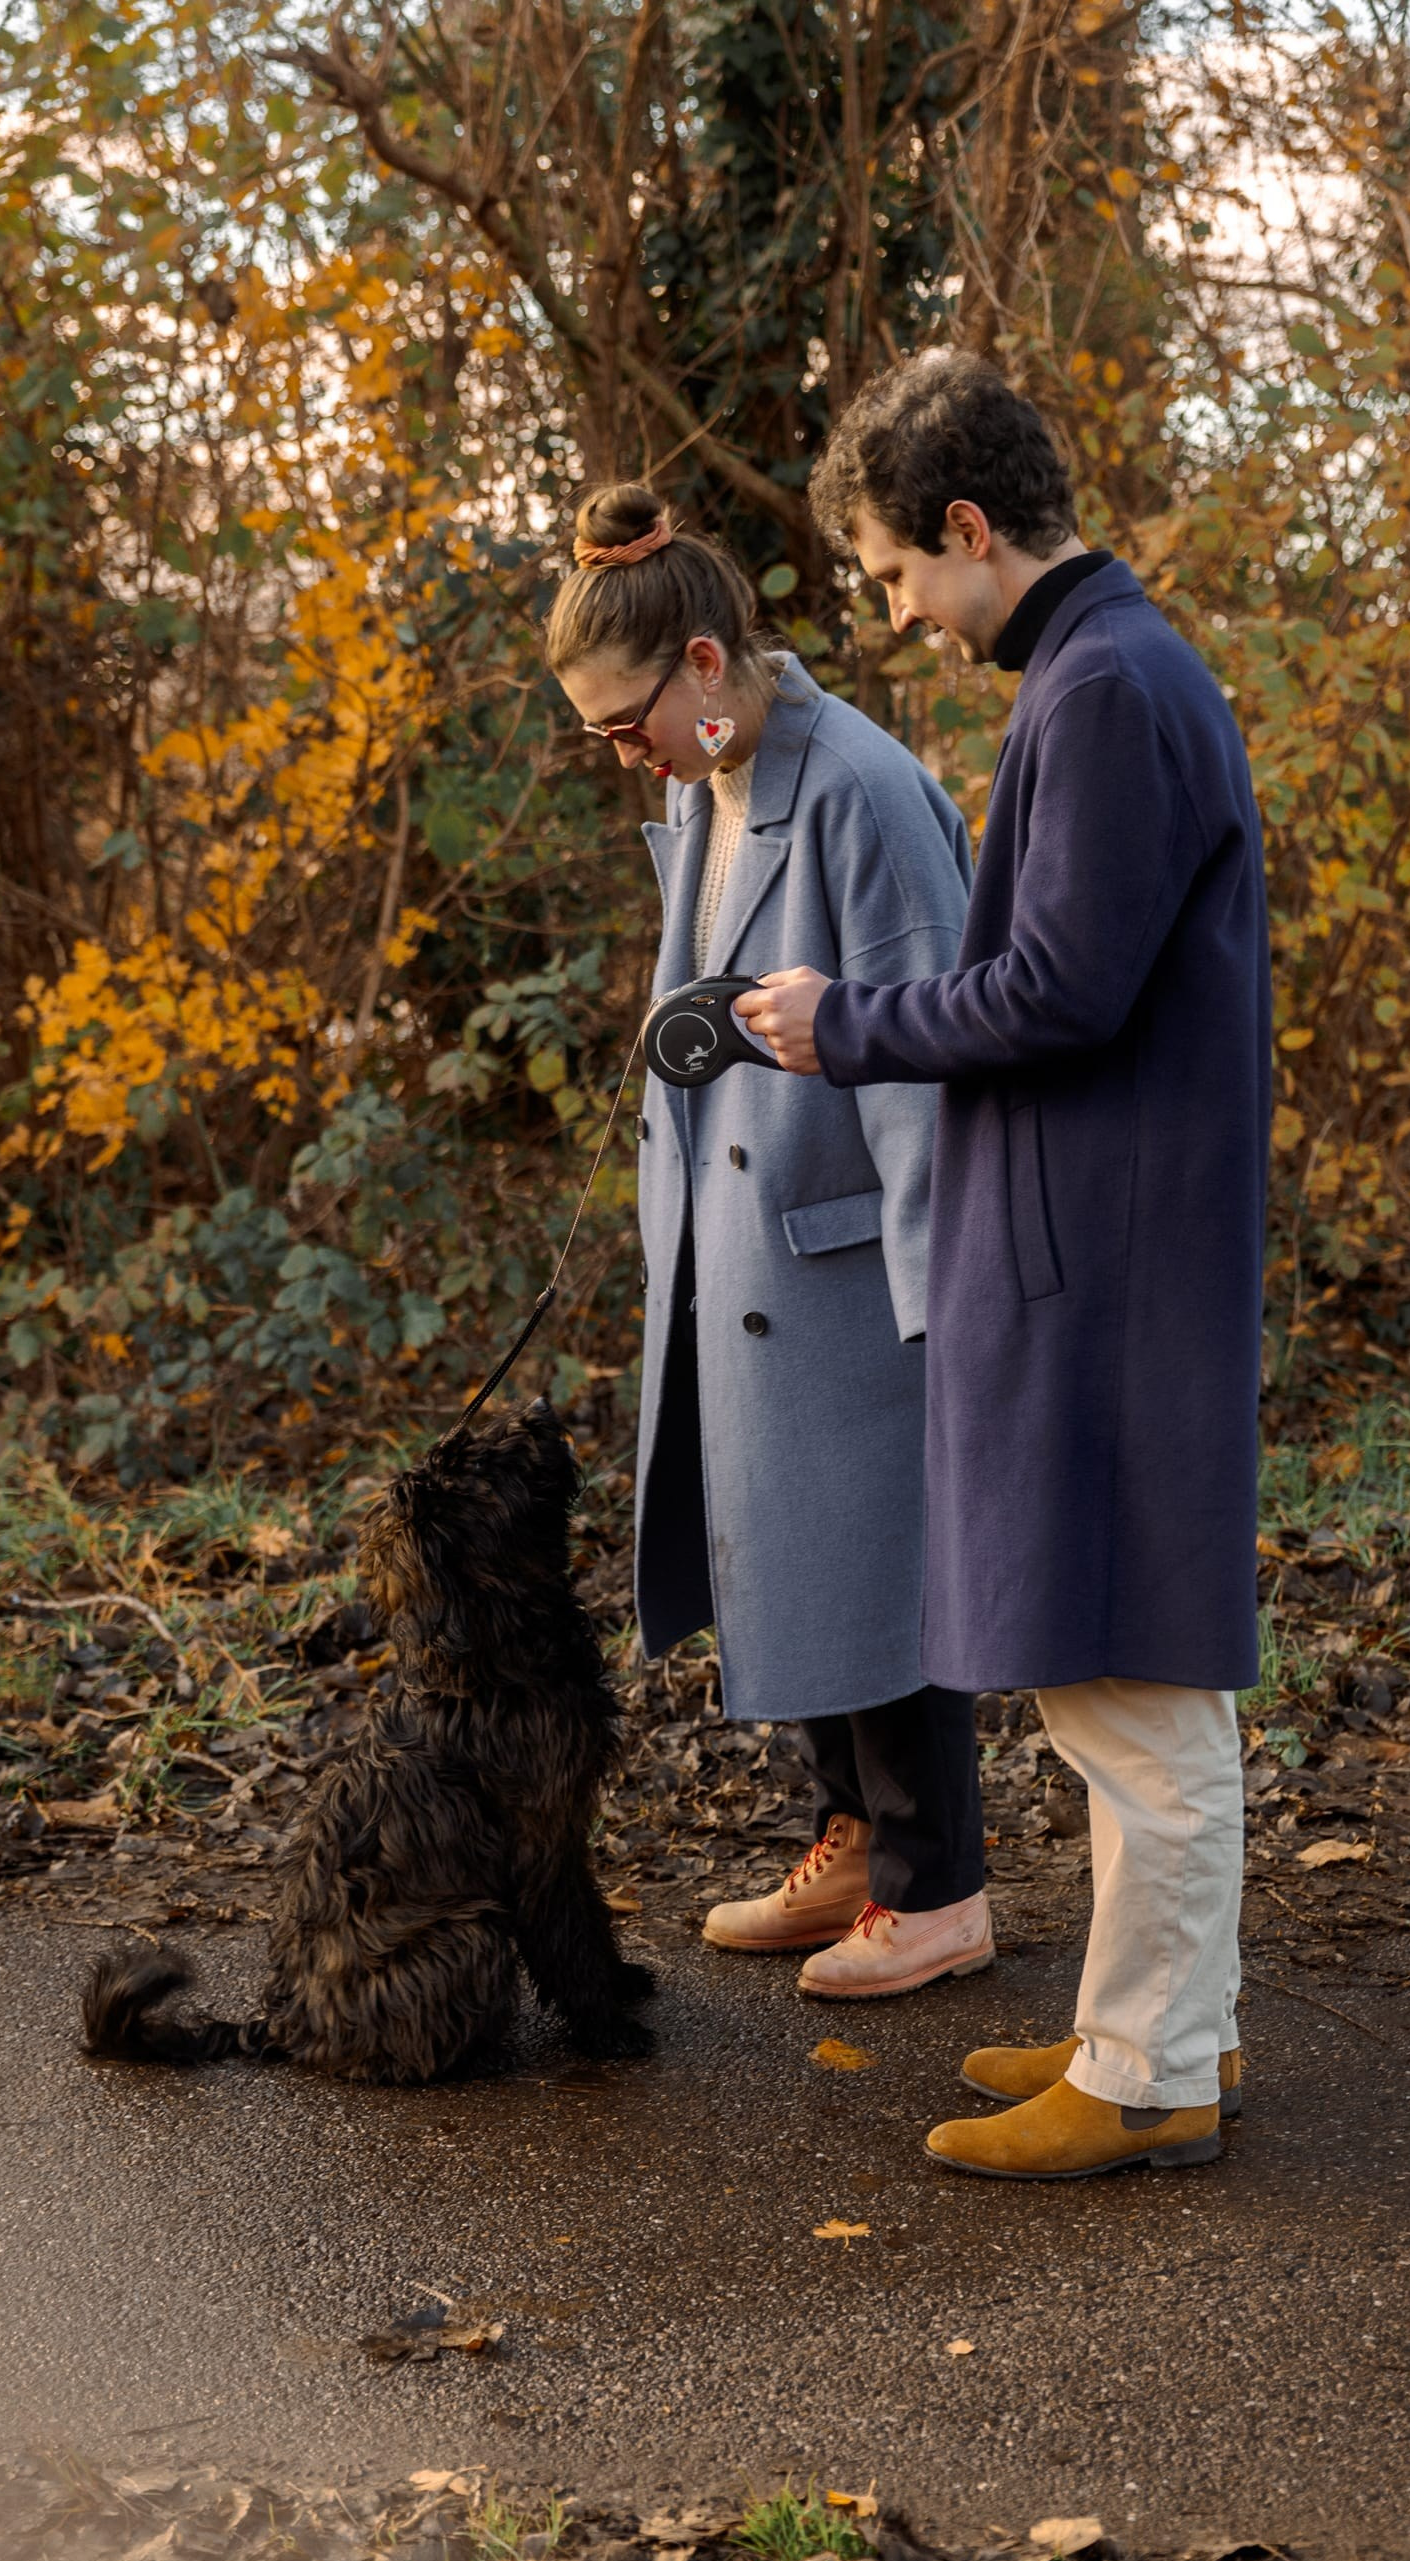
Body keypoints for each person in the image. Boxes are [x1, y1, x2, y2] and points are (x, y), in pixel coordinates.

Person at [735, 351, 1270, 2178]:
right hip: (1097, 1246)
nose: (892, 612)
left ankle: (1148, 2080)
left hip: (1110, 1265)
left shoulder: (1107, 689)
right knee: (1112, 1680)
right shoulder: (1101, 672)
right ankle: (1150, 2031)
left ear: (969, 531)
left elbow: (1059, 990)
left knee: (1138, 1691)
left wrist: (847, 1019)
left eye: (891, 572)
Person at [545, 481, 991, 1995]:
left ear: (708, 667)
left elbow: (929, 1051)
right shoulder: (708, 785)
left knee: (881, 1557)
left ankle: (940, 1890)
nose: (623, 758)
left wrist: (945, 1310)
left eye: (626, 723)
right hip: (738, 1242)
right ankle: (856, 1835)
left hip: (855, 1253)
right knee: (790, 1548)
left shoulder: (857, 791)